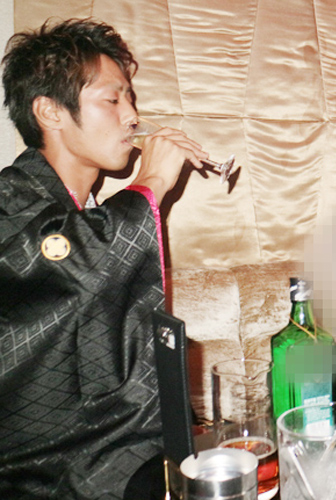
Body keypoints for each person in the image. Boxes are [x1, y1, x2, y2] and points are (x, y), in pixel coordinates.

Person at [0, 18, 208, 499]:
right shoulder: (9, 202)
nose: (132, 116)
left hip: (113, 458)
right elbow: (64, 263)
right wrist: (151, 183)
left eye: (130, 99)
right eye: (112, 100)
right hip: (42, 479)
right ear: (50, 111)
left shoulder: (86, 212)